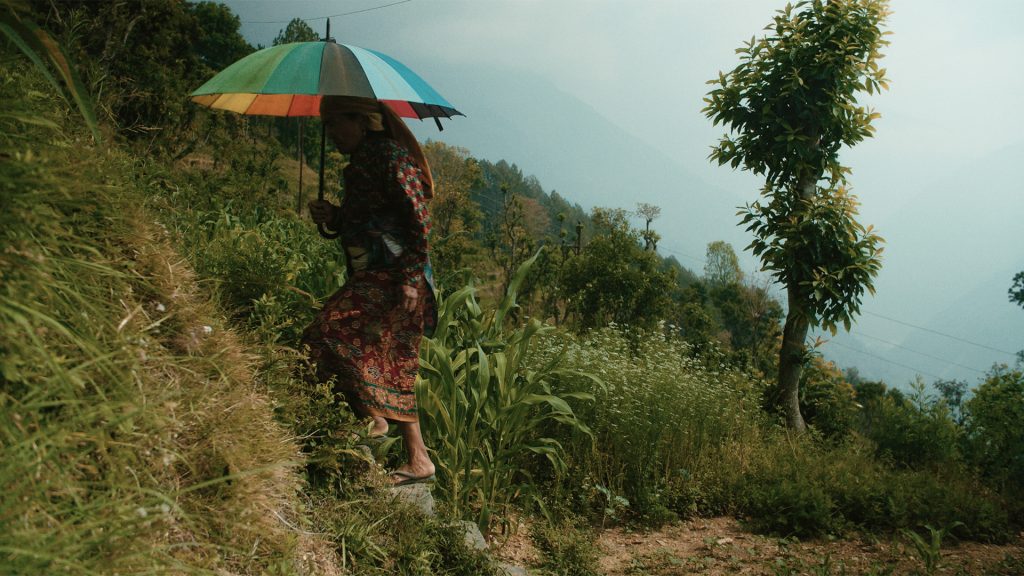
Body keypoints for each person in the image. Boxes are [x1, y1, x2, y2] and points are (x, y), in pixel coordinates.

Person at [302, 95, 437, 486]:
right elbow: (365, 219)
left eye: (335, 124)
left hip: (395, 277)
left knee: (325, 333)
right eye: (326, 126)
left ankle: (372, 418)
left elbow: (419, 220)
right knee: (393, 360)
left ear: (361, 121)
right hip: (378, 273)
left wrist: (410, 277)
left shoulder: (391, 157)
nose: (331, 134)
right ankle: (418, 458)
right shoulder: (362, 161)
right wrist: (334, 216)